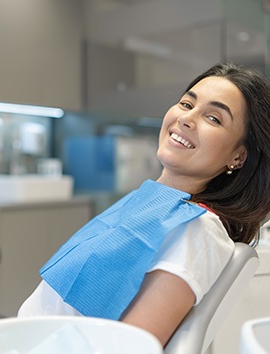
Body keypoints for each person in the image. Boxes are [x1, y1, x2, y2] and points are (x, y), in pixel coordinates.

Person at [17, 62, 270, 347]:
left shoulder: (197, 229)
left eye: (213, 118)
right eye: (186, 104)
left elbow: (130, 347)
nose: (187, 118)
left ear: (238, 156)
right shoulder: (149, 201)